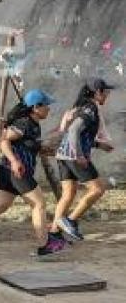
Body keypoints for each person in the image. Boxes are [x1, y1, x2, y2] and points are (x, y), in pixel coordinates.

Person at [0, 89, 66, 259]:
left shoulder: (33, 125)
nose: (49, 108)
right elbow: (4, 141)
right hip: (16, 171)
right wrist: (15, 161)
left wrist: (46, 150)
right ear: (35, 107)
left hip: (9, 170)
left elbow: (27, 145)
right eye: (46, 105)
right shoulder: (24, 123)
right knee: (38, 204)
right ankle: (45, 245)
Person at [49, 79, 116, 242]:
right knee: (97, 189)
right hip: (73, 156)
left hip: (63, 155)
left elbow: (80, 135)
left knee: (68, 194)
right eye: (105, 92)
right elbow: (73, 131)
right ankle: (70, 220)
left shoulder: (80, 107)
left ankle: (54, 234)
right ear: (97, 92)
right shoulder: (90, 108)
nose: (107, 95)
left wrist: (99, 145)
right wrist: (79, 155)